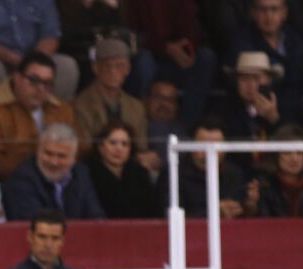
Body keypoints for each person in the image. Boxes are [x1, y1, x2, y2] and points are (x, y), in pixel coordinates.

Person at [0, 51, 77, 179]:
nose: (40, 89)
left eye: (47, 83)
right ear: (17, 78)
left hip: (57, 179)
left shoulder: (62, 110)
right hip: (12, 182)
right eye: (34, 80)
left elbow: (76, 152)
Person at [124, 0, 217, 133]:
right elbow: (133, 36)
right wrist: (165, 48)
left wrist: (188, 50)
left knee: (206, 58)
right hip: (151, 57)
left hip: (178, 60)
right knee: (143, 61)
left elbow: (195, 32)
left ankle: (184, 130)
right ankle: (139, 128)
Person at [73, 37, 157, 173]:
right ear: (95, 68)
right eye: (107, 65)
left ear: (128, 69)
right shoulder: (81, 104)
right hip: (94, 169)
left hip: (129, 167)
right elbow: (85, 148)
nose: (113, 71)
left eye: (119, 65)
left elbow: (141, 145)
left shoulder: (136, 107)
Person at [0, 0, 78, 100]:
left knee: (67, 66)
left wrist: (34, 63)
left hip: (34, 57)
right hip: (0, 58)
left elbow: (50, 35)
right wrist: (13, 59)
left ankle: (51, 115)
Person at [227, 0, 303, 121]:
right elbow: (252, 90)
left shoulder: (297, 41)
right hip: (254, 113)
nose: (268, 16)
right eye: (263, 10)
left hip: (297, 116)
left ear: (284, 13)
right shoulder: (241, 41)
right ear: (253, 13)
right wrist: (301, 101)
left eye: (274, 9)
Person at [1, 122, 105, 220]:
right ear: (38, 151)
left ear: (74, 158)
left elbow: (96, 217)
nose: (54, 162)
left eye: (61, 156)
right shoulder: (23, 179)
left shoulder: (81, 174)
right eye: (48, 153)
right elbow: (35, 223)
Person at [167, 117, 254, 219]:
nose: (209, 152)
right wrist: (213, 213)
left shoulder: (234, 174)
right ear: (191, 145)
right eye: (203, 145)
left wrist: (250, 207)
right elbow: (168, 220)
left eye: (216, 146)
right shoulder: (173, 175)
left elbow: (243, 215)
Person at [87, 119, 162, 219]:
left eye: (124, 144)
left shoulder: (140, 174)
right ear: (101, 147)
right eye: (113, 143)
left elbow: (153, 211)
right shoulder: (88, 174)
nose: (119, 149)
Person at [216, 51, 285, 152]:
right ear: (237, 82)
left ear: (269, 80)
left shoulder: (284, 105)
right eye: (244, 78)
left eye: (256, 78)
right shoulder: (224, 110)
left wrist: (274, 119)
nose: (251, 85)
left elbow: (293, 142)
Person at [0, 208, 87, 269]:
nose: (48, 245)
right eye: (42, 237)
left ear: (62, 241)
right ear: (30, 236)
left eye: (55, 238)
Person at [254, 123, 303, 217]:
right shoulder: (265, 185)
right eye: (287, 153)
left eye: (299, 153)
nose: (294, 158)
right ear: (276, 156)